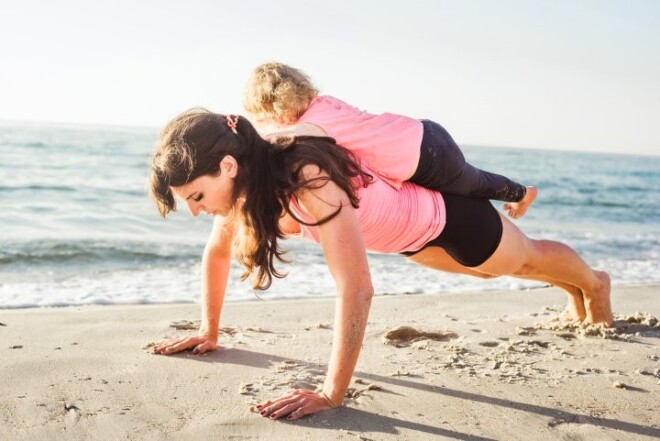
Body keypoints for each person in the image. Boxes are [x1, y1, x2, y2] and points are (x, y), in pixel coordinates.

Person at [149, 108, 613, 422]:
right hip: (408, 239)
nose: (195, 210)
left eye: (195, 197)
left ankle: (594, 285)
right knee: (491, 272)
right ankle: (572, 288)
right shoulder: (245, 187)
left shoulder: (307, 180)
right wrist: (210, 331)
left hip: (447, 219)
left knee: (523, 261)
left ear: (228, 166)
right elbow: (217, 252)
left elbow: (355, 287)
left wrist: (332, 393)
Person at [243, 61, 538, 219]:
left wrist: (249, 140)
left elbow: (278, 138)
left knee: (472, 184)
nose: (267, 123)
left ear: (276, 107)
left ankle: (522, 193)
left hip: (427, 157)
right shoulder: (324, 103)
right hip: (422, 133)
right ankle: (518, 193)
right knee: (470, 180)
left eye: (265, 116)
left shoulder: (315, 124)